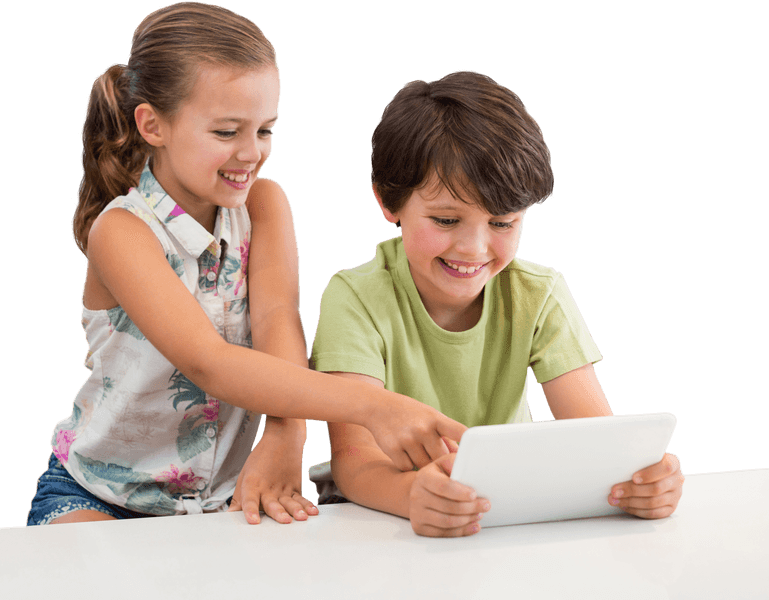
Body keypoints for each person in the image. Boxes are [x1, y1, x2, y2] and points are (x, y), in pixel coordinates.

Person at [26, 2, 465, 528]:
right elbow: (207, 362)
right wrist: (373, 406)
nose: (251, 152)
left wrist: (287, 432)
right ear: (153, 125)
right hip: (98, 493)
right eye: (227, 131)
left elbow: (278, 320)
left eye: (265, 130)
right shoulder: (122, 232)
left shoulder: (264, 205)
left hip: (219, 501)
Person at [310, 70, 684, 537]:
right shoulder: (356, 296)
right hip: (378, 519)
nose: (473, 248)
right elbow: (354, 463)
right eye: (446, 219)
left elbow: (596, 439)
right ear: (389, 201)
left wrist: (642, 481)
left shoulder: (538, 293)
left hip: (501, 517)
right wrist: (412, 496)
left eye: (503, 223)